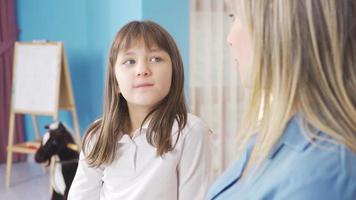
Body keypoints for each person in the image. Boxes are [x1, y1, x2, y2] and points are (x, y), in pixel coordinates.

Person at [207, 0, 356, 199]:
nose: (229, 38)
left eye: (237, 16)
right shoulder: (273, 138)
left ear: (285, 31)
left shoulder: (326, 175)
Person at [68, 20, 211, 200]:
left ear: (174, 73)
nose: (142, 70)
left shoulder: (190, 131)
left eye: (155, 59)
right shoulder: (98, 135)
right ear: (115, 82)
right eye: (130, 61)